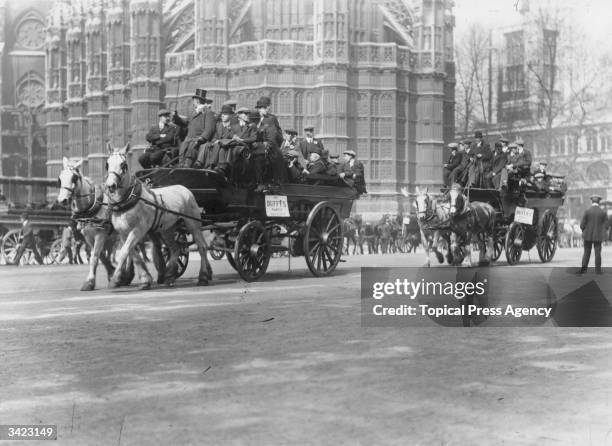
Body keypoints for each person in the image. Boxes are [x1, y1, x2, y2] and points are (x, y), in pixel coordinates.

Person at [172, 88, 217, 168]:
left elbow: (210, 129)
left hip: (198, 139)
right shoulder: (193, 112)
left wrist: (202, 138)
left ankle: (187, 166)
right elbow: (185, 123)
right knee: (182, 150)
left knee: (191, 150)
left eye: (194, 100)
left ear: (197, 100)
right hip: (188, 138)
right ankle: (181, 165)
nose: (193, 102)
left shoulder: (208, 113)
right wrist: (176, 117)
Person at [195, 104, 237, 173]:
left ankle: (212, 165)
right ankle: (199, 163)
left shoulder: (234, 126)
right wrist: (215, 140)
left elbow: (233, 138)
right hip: (216, 143)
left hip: (226, 146)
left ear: (230, 115)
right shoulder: (218, 125)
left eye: (225, 114)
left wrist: (220, 141)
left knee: (218, 145)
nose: (223, 115)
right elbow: (214, 137)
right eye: (222, 114)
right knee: (204, 145)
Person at [255, 96, 286, 186]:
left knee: (274, 159)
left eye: (264, 108)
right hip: (257, 145)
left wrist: (269, 144)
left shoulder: (271, 119)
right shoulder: (255, 119)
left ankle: (272, 182)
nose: (261, 110)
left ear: (268, 108)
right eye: (259, 108)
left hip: (270, 146)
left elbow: (275, 135)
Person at [577, 195, 609, 274]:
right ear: (599, 202)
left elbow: (582, 225)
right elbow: (607, 225)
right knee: (598, 253)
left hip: (587, 235)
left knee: (586, 252)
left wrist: (584, 230)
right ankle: (598, 270)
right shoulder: (603, 212)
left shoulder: (587, 211)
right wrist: (602, 231)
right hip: (598, 236)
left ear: (592, 201)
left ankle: (584, 270)